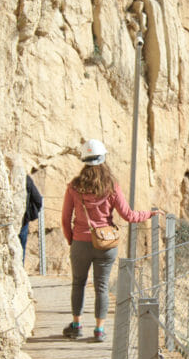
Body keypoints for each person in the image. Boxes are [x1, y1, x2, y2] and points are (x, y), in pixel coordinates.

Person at [61, 138, 156, 342]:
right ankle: (99, 330)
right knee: (101, 286)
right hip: (106, 244)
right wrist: (149, 214)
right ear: (103, 158)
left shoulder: (74, 187)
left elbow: (65, 218)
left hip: (80, 242)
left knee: (78, 283)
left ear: (84, 160)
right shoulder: (112, 187)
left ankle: (76, 326)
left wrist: (73, 241)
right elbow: (128, 215)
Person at [19, 173, 42, 264]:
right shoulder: (26, 178)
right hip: (23, 220)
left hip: (11, 220)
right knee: (21, 248)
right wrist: (29, 216)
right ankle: (20, 269)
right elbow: (38, 200)